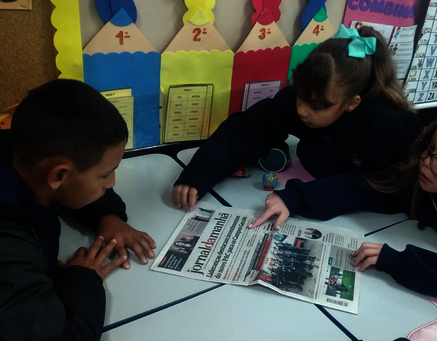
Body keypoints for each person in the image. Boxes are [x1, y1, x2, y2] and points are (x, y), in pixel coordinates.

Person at [252, 104, 437, 312]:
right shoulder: (423, 181)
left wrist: (398, 261)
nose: (426, 162)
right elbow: (363, 187)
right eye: (427, 148)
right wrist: (295, 197)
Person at [0, 79, 156, 341]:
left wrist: (108, 215)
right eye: (105, 174)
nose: (112, 183)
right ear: (58, 175)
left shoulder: (11, 149)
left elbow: (72, 177)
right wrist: (82, 279)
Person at [173, 24, 422, 211]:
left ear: (351, 103)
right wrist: (198, 174)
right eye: (300, 96)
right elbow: (248, 127)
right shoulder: (306, 97)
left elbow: (378, 189)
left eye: (315, 106)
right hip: (331, 172)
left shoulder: (384, 123)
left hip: (387, 205)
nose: (302, 109)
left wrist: (298, 197)